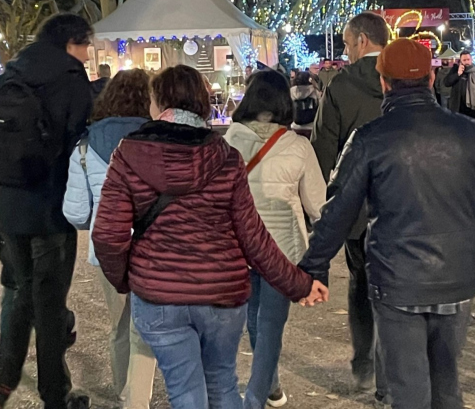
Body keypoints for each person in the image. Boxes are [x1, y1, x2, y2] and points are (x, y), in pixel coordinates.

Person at [93, 65, 329, 409]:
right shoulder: (224, 156)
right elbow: (254, 238)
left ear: (157, 104)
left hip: (160, 295)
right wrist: (300, 284)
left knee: (185, 389)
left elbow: (107, 235)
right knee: (220, 383)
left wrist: (126, 278)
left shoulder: (129, 154)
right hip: (221, 293)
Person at [298, 38, 475, 409]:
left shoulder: (369, 139)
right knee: (447, 382)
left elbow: (337, 211)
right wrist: (466, 240)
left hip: (396, 277)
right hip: (455, 275)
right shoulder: (470, 133)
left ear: (384, 82)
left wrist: (313, 268)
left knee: (408, 387)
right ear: (431, 78)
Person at [0, 14, 97, 409]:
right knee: (48, 303)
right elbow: (78, 136)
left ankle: (1, 382)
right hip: (48, 206)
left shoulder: (11, 72)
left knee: (20, 292)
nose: (88, 53)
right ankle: (54, 393)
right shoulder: (69, 75)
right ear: (71, 43)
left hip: (5, 205)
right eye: (86, 45)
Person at [225, 70, 327, 408]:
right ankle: (256, 397)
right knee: (269, 326)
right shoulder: (297, 146)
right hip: (282, 250)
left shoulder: (227, 142)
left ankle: (269, 386)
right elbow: (317, 204)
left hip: (237, 246)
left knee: (252, 320)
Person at [308, 12, 393, 399]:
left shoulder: (341, 84)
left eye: (345, 42)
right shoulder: (408, 76)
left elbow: (324, 146)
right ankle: (392, 368)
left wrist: (321, 203)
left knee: (361, 283)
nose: (344, 48)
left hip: (359, 209)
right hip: (407, 203)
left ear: (361, 41)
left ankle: (365, 365)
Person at [62, 69, 157, 409]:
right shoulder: (157, 138)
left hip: (107, 246)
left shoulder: (85, 146)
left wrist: (100, 217)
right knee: (155, 321)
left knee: (120, 325)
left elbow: (74, 213)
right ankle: (141, 392)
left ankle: (124, 392)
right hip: (154, 244)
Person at [436, 51, 475, 127]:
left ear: (471, 59)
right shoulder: (455, 70)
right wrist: (458, 74)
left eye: (468, 59)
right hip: (459, 109)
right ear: (460, 61)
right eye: (464, 60)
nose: (467, 62)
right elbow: (447, 83)